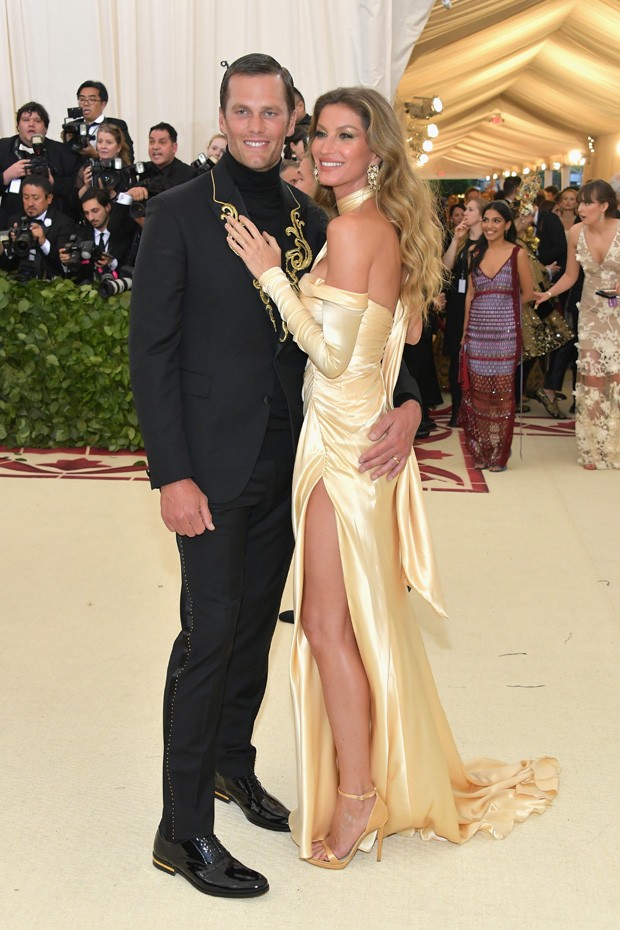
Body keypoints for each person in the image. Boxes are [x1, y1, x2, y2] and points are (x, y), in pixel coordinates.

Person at [227, 87, 558, 869]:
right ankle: (367, 777)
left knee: (328, 630)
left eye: (347, 136)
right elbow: (395, 336)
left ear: (376, 151)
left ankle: (357, 798)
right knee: (351, 628)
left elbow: (336, 355)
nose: (328, 147)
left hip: (344, 448)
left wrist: (273, 275)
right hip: (354, 440)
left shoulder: (348, 228)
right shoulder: (381, 225)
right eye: (322, 134)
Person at [129, 53, 422, 899]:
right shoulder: (180, 214)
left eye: (271, 112)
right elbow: (151, 354)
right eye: (242, 112)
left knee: (256, 629)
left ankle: (232, 766)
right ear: (223, 115)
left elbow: (364, 336)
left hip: (297, 463)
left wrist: (408, 407)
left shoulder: (309, 215)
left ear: (291, 115)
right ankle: (181, 831)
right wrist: (171, 474)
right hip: (211, 470)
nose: (258, 126)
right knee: (209, 635)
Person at [534, 179, 620, 468]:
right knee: (592, 378)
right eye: (580, 202)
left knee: (617, 380)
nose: (580, 207)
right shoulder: (574, 233)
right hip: (592, 312)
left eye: (587, 202)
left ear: (604, 206)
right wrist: (547, 292)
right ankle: (593, 448)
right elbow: (570, 276)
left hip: (619, 312)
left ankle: (615, 445)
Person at [459, 200, 535, 471]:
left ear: (507, 225)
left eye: (496, 221)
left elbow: (527, 293)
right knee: (477, 395)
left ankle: (499, 453)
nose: (490, 226)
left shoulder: (518, 254)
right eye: (487, 220)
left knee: (501, 395)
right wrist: (465, 333)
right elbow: (469, 295)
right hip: (477, 335)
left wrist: (504, 313)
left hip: (505, 336)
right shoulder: (472, 253)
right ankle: (481, 450)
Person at [0, 101, 83, 224]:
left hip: (54, 224)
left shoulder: (63, 152)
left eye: (37, 121)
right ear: (18, 126)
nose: (31, 124)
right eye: (26, 120)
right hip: (12, 221)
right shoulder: (3, 147)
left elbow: (76, 191)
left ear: (46, 128)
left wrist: (53, 182)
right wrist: (7, 176)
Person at [442, 197, 484, 426]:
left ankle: (476, 409)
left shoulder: (488, 243)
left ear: (481, 214)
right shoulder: (460, 239)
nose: (465, 213)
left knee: (476, 358)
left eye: (470, 209)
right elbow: (445, 268)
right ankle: (457, 410)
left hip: (479, 304)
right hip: (457, 304)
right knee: (456, 357)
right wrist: (456, 240)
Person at [0, 175, 75, 279]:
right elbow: (5, 267)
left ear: (49, 198)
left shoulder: (63, 223)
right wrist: (10, 248)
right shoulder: (14, 221)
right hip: (18, 282)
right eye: (26, 198)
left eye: (35, 198)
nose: (30, 203)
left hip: (50, 286)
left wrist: (44, 243)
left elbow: (64, 267)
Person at [71, 80, 134, 161]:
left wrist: (96, 155)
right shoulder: (72, 126)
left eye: (92, 99)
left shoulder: (117, 125)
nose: (86, 104)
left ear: (103, 104)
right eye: (82, 99)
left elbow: (128, 159)